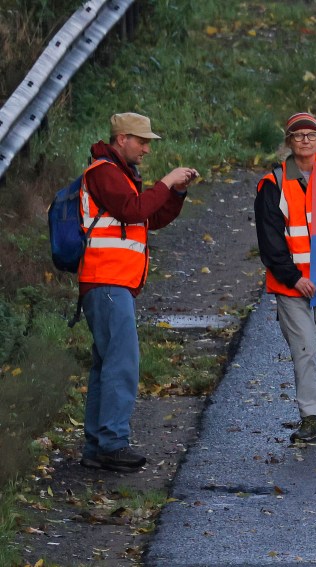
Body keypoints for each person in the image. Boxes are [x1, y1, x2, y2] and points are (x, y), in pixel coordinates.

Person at [79, 112, 199, 472]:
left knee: (106, 365)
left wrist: (175, 194)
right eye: (142, 141)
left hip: (112, 283)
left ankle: (98, 447)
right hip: (107, 281)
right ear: (121, 139)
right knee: (122, 364)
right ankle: (112, 444)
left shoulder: (120, 174)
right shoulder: (104, 172)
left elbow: (150, 219)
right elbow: (134, 211)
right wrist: (166, 182)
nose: (146, 148)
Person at [254, 112, 316, 443]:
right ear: (289, 143)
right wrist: (294, 278)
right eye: (298, 136)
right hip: (292, 284)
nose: (306, 141)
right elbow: (270, 240)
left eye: (312, 136)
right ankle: (309, 417)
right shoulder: (274, 184)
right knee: (305, 350)